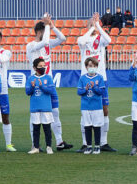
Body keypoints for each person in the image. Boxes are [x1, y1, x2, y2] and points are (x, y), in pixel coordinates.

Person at [26, 15, 73, 151]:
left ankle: (59, 142)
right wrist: (47, 25)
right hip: (36, 84)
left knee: (55, 112)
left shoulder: (46, 43)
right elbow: (46, 41)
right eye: (46, 30)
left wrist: (52, 27)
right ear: (40, 32)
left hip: (49, 83)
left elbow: (62, 38)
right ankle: (35, 144)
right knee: (35, 116)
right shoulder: (31, 45)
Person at [77, 13, 113, 152]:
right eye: (90, 24)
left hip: (101, 77)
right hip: (85, 78)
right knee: (85, 111)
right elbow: (80, 41)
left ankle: (103, 142)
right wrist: (91, 27)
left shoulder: (101, 39)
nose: (94, 26)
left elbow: (109, 40)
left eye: (96, 24)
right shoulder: (83, 40)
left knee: (104, 109)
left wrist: (97, 25)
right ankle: (85, 143)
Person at [26, 57, 56, 155]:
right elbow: (28, 92)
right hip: (35, 107)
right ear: (35, 68)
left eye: (44, 66)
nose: (43, 68)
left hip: (46, 107)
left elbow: (51, 91)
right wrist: (32, 86)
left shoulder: (48, 78)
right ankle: (36, 147)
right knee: (36, 128)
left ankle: (49, 147)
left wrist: (42, 86)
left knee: (47, 128)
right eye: (40, 66)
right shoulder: (31, 78)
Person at [77, 57, 106, 155]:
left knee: (97, 126)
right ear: (86, 67)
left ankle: (97, 146)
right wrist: (85, 89)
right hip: (85, 106)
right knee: (87, 126)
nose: (92, 68)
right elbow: (79, 92)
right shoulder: (82, 78)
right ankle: (89, 147)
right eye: (90, 66)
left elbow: (101, 92)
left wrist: (94, 87)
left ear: (97, 67)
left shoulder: (100, 78)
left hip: (97, 106)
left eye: (94, 66)